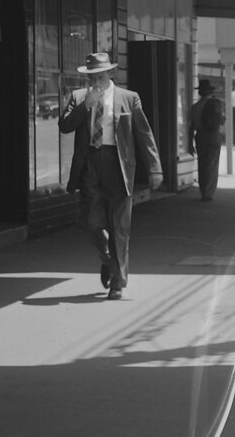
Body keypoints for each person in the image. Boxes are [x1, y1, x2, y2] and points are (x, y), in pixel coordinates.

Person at [59, 52, 163, 300]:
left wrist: (155, 167)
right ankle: (108, 260)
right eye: (91, 75)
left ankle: (117, 282)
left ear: (111, 74)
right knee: (93, 223)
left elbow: (144, 134)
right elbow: (64, 126)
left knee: (120, 227)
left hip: (119, 165)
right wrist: (86, 107)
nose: (96, 79)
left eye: (100, 74)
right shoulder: (78, 97)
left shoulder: (129, 98)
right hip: (90, 165)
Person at [189, 78, 225, 202]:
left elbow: (192, 125)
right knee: (212, 163)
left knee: (202, 163)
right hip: (213, 135)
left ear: (199, 92)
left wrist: (189, 143)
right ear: (210, 92)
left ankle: (203, 189)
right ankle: (208, 192)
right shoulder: (216, 104)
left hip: (200, 135)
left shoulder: (195, 107)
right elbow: (221, 121)